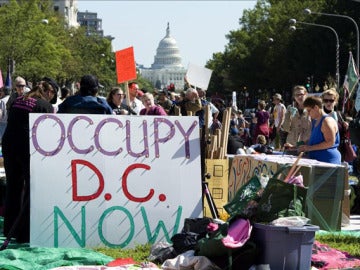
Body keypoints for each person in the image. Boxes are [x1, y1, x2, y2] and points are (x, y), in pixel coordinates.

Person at [2, 82, 54, 243]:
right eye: (52, 93)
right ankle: (25, 232)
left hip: (10, 145)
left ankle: (10, 228)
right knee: (32, 188)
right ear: (47, 92)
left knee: (13, 187)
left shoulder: (18, 100)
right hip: (27, 146)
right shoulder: (45, 105)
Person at [298, 95, 341, 164]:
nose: (308, 114)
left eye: (309, 111)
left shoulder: (327, 121)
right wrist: (296, 147)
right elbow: (314, 141)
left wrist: (309, 148)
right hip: (317, 161)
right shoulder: (315, 121)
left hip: (328, 162)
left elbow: (330, 142)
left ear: (316, 107)